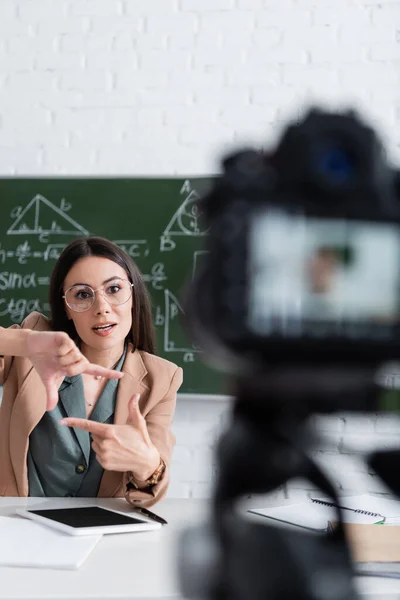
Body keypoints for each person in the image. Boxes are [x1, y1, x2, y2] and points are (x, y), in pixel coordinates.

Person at [0, 237, 183, 507]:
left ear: (133, 297)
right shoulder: (35, 344)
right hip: (16, 526)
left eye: (114, 289)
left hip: (99, 533)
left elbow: (150, 488)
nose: (102, 308)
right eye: (83, 294)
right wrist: (24, 342)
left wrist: (147, 463)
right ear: (66, 308)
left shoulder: (162, 378)